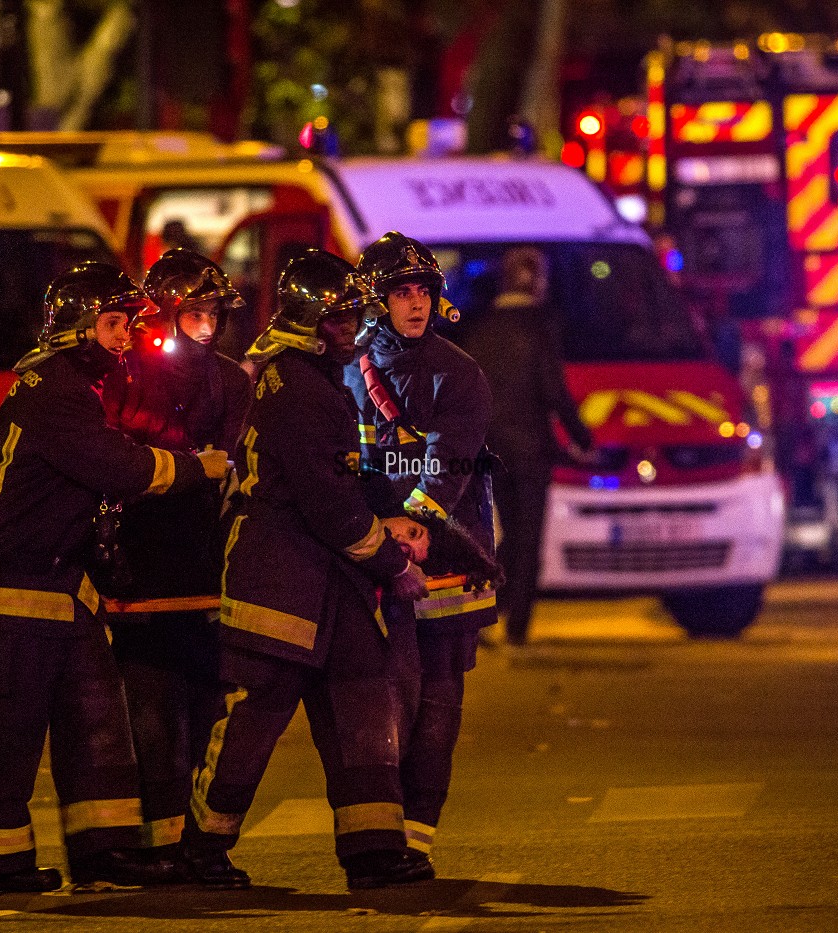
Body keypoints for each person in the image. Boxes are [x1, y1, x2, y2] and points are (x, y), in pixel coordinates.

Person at [0, 263, 229, 894]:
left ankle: (105, 851)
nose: (125, 338)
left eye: (128, 325)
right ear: (77, 327)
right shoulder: (53, 387)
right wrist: (194, 468)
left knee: (95, 722)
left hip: (59, 584)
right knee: (8, 731)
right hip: (10, 583)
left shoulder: (80, 385)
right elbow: (114, 466)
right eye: (113, 324)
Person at [178, 250, 433, 891]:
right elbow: (328, 501)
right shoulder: (298, 388)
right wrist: (390, 559)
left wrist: (390, 519)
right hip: (278, 580)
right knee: (254, 716)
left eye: (353, 317)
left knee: (362, 700)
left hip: (323, 583)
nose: (352, 330)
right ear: (310, 322)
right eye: (341, 319)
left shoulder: (308, 382)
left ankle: (373, 848)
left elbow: (344, 486)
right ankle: (202, 847)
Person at [348, 231, 497, 870]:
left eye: (423, 292)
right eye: (401, 293)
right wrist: (369, 536)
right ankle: (377, 837)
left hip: (444, 562)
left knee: (438, 698)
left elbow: (448, 469)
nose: (416, 304)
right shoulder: (346, 371)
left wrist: (403, 531)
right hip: (371, 558)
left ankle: (414, 840)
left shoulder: (459, 374)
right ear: (376, 302)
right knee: (380, 700)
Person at [98, 248, 252, 861]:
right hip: (143, 569)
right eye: (194, 313)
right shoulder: (125, 377)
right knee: (152, 709)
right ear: (162, 315)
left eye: (213, 311)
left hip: (210, 570)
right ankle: (160, 841)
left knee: (208, 706)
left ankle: (197, 842)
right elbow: (116, 462)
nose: (207, 324)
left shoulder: (234, 381)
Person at [457, 246, 594, 646]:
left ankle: (482, 609)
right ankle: (516, 627)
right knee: (528, 536)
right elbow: (554, 390)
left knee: (506, 532)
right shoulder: (539, 326)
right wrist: (583, 438)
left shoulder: (478, 329)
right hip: (532, 449)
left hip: (490, 448)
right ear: (535, 280)